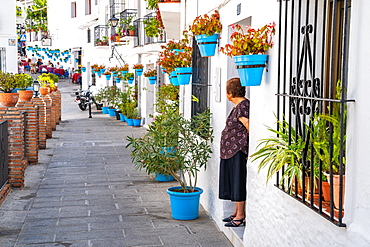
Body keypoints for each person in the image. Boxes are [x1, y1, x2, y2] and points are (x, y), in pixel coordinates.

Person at [219, 77, 249, 227]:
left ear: (231, 92)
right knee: (234, 182)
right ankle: (236, 212)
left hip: (237, 151)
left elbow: (249, 125)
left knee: (238, 182)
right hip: (231, 151)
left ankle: (240, 215)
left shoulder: (243, 107)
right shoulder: (239, 106)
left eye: (226, 90)